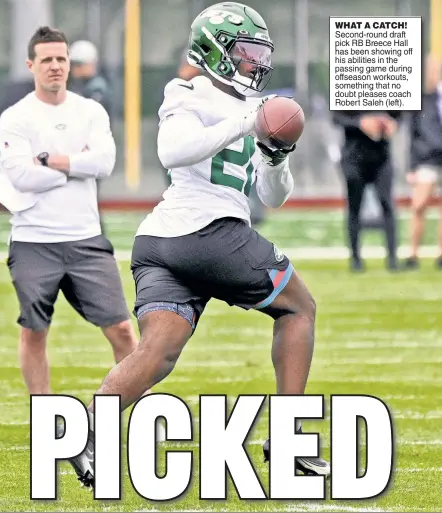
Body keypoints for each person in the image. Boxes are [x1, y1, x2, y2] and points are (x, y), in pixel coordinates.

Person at [66, 3, 330, 488]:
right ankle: (290, 436)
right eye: (246, 50)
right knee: (300, 309)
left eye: (260, 52)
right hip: (205, 232)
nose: (257, 61)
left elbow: (273, 195)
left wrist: (277, 156)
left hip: (163, 243)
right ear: (215, 50)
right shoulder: (191, 90)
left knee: (159, 351)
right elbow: (172, 150)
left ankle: (86, 431)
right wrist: (247, 123)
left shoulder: (252, 107)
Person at [0, 26, 142, 398]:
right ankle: (42, 413)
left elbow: (105, 163)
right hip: (34, 240)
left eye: (61, 59)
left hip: (85, 238)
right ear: (32, 65)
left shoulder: (89, 111)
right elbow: (19, 175)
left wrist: (49, 160)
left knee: (123, 330)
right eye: (47, 59)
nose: (55, 66)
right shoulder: (16, 117)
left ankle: (135, 410)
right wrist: (76, 165)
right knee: (34, 330)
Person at [333, 110, 401, 272]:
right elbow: (336, 117)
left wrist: (393, 124)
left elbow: (399, 115)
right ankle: (356, 259)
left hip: (381, 157)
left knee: (387, 205)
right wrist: (361, 123)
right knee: (354, 207)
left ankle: (392, 259)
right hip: (354, 157)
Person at [67, 39, 112, 236]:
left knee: (87, 197)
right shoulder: (79, 85)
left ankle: (96, 238)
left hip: (90, 150)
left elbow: (89, 120)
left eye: (79, 65)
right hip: (80, 150)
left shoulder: (96, 88)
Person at [405, 55, 442, 269]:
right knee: (419, 206)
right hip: (427, 159)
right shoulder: (418, 101)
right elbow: (412, 135)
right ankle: (413, 254)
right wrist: (412, 166)